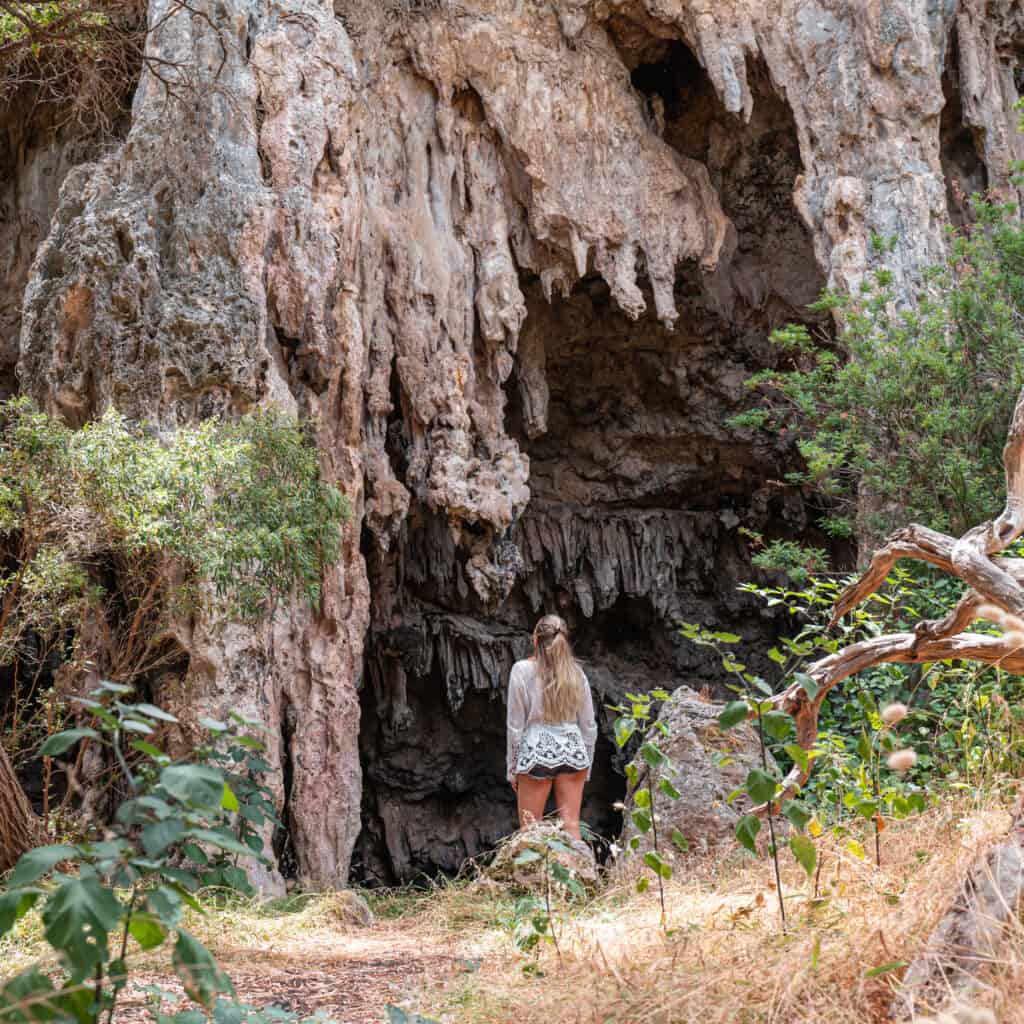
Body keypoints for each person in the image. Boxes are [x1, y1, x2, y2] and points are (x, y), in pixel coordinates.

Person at [506, 614, 597, 840]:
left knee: (530, 831)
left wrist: (513, 770)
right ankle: (580, 875)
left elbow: (515, 727)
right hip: (574, 753)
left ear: (535, 640)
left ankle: (536, 876)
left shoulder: (522, 670)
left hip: (536, 753)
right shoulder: (577, 674)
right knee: (572, 828)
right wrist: (587, 765)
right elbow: (589, 726)